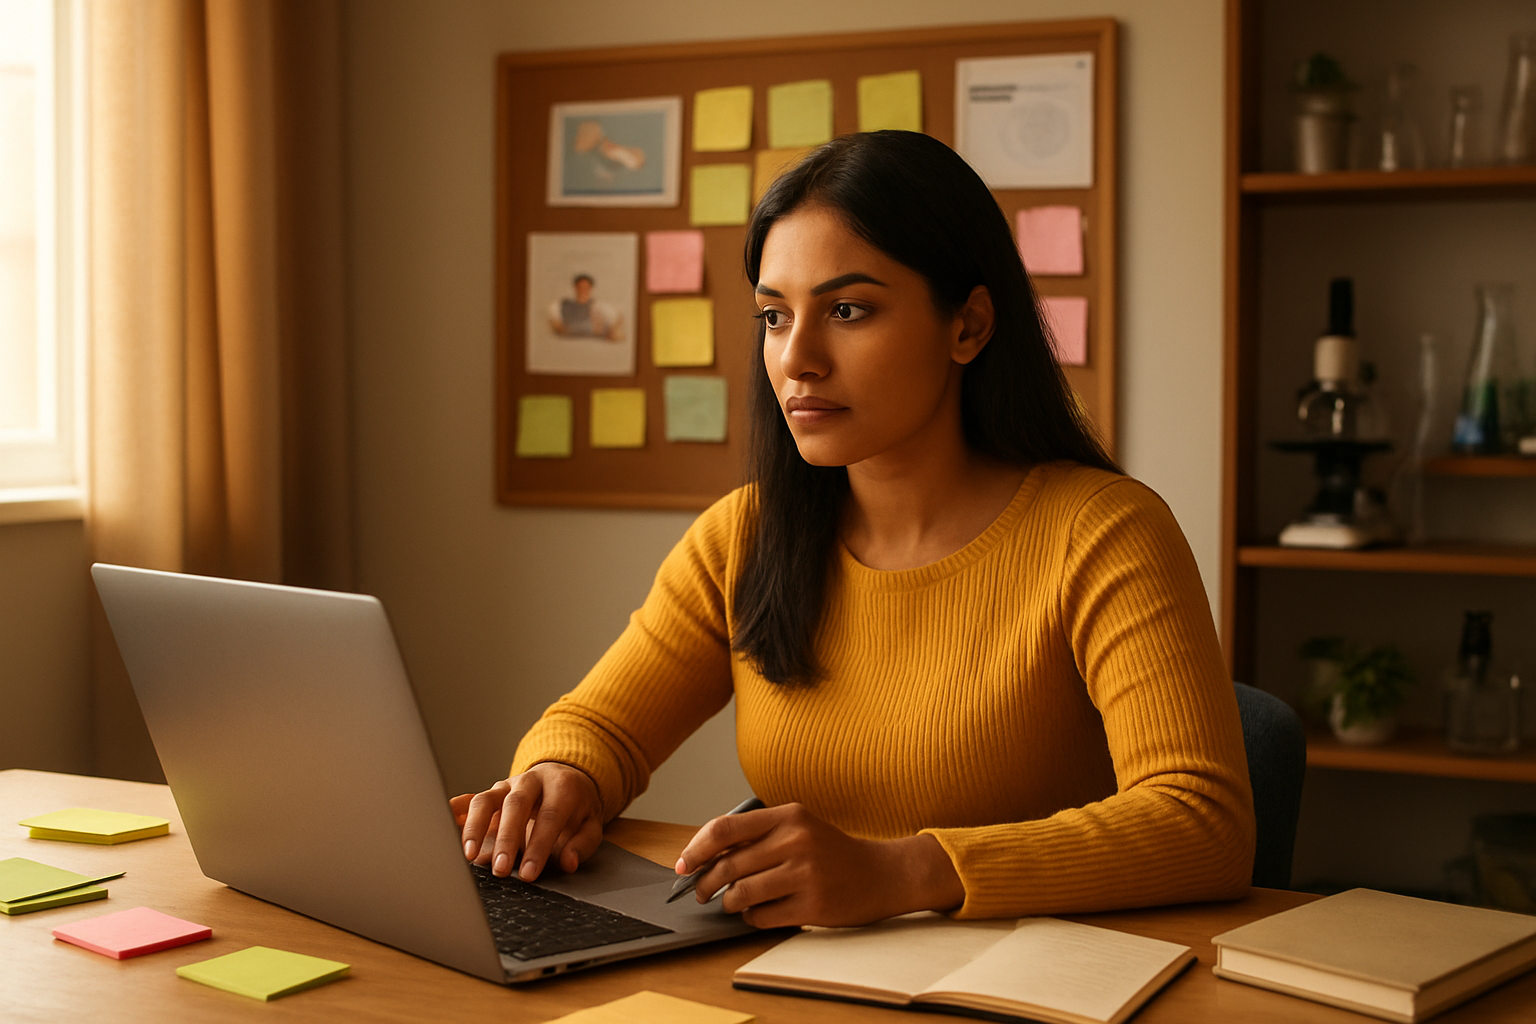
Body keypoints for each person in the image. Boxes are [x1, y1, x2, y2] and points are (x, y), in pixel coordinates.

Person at [458, 131, 1254, 929]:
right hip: (801, 979)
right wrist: (561, 776)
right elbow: (600, 724)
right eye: (774, 316)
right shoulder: (744, 536)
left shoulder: (1105, 533)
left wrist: (900, 872)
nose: (796, 358)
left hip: (1028, 989)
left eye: (847, 310)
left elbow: (1203, 823)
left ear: (968, 325)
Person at [548, 273, 623, 340]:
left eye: (586, 287)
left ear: (591, 288)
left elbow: (617, 321)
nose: (582, 290)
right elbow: (554, 322)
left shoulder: (598, 306)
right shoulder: (563, 304)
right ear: (575, 287)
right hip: (568, 341)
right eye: (580, 287)